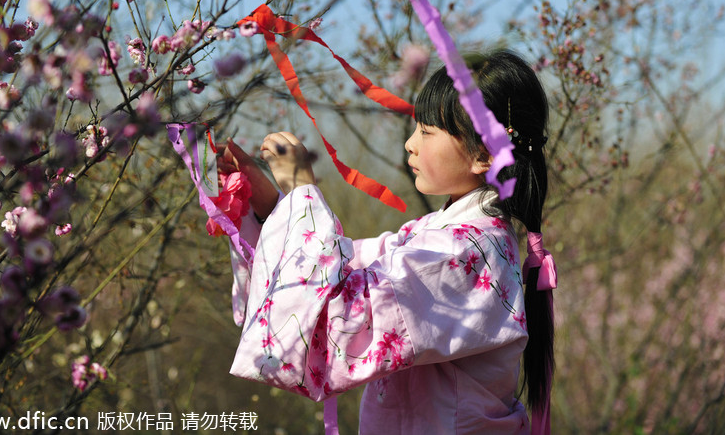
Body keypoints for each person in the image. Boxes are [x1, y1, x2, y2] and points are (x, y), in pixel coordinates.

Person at [217, 49, 555, 434]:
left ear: (485, 154)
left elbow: (342, 311)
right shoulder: (443, 237)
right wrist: (270, 206)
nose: (411, 144)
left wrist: (302, 194)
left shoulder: (471, 255)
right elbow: (342, 264)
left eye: (427, 132)